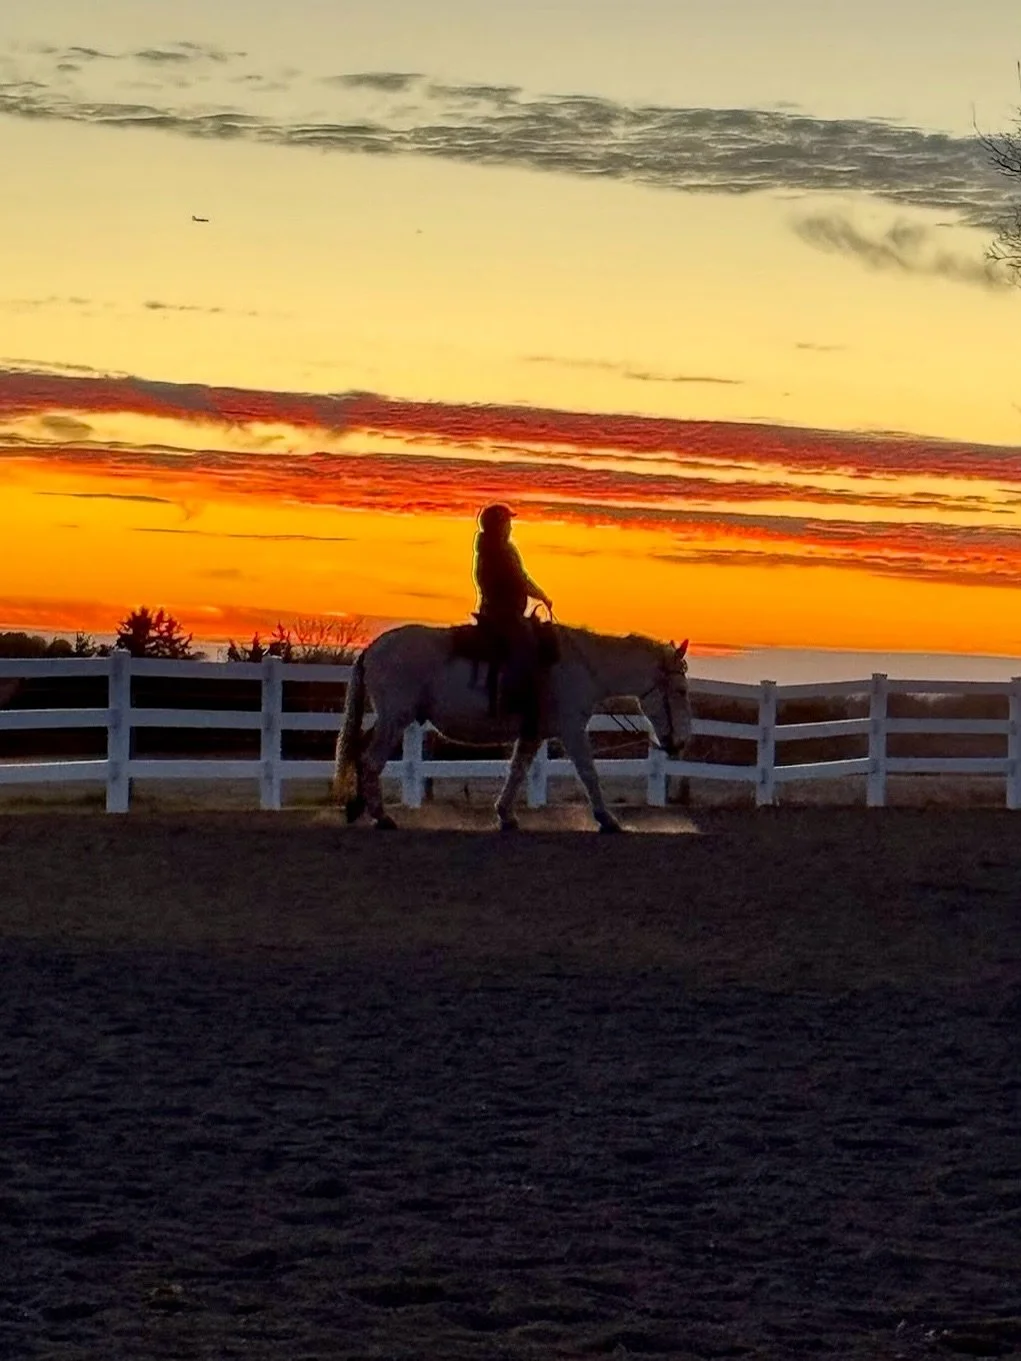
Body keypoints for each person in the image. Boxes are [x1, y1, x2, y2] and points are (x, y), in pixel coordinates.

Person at [472, 504, 552, 735]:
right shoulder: (497, 551)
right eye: (507, 523)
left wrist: (539, 594)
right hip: (502, 612)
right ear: (498, 526)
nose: (510, 527)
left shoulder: (495, 549)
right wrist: (541, 596)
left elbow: (522, 578)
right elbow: (518, 580)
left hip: (504, 610)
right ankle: (511, 699)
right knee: (526, 643)